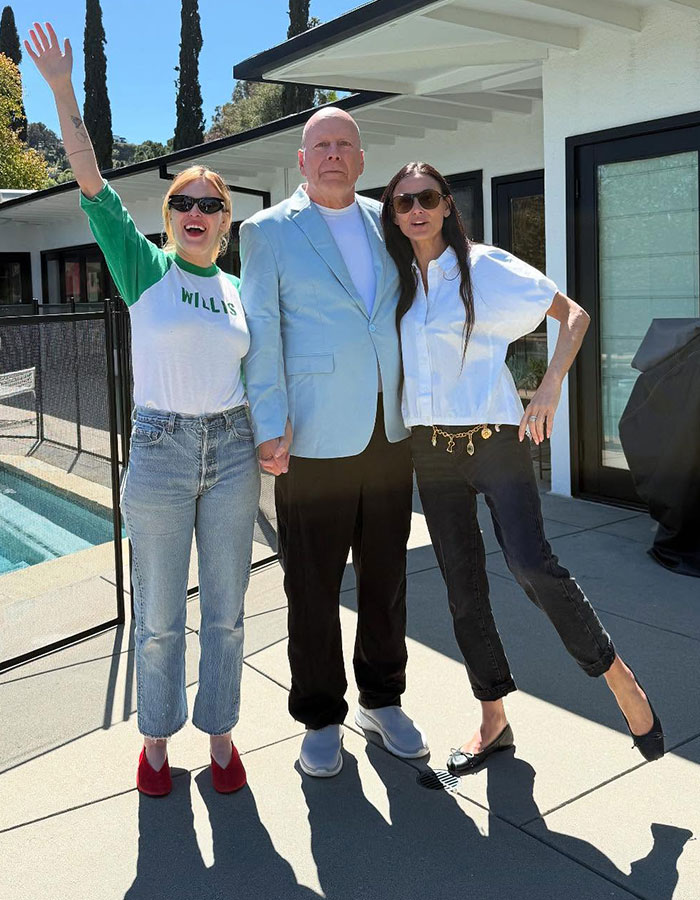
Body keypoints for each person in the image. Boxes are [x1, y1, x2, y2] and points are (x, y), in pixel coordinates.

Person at [27, 23, 260, 796]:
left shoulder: (235, 292)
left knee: (226, 612)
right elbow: (91, 180)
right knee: (160, 618)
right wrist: (64, 91)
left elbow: (261, 374)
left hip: (230, 452)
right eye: (185, 201)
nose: (198, 209)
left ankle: (220, 734)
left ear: (225, 224)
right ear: (171, 216)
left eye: (212, 203)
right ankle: (156, 744)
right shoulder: (144, 266)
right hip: (161, 454)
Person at [380, 160, 664, 773]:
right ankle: (493, 719)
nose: (417, 209)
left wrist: (550, 385)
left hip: (494, 441)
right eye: (403, 202)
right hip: (430, 450)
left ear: (447, 204)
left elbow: (574, 315)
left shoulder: (483, 267)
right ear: (394, 215)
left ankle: (616, 675)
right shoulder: (397, 278)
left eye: (428, 197)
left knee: (531, 564)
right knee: (462, 585)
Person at [239, 108, 428, 778]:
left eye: (344, 144)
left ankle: (383, 698)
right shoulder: (265, 232)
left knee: (387, 578)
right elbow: (261, 334)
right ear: (301, 160)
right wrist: (269, 424)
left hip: (389, 430)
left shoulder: (390, 221)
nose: (332, 154)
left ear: (361, 157)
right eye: (321, 145)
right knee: (312, 587)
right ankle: (320, 715)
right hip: (311, 436)